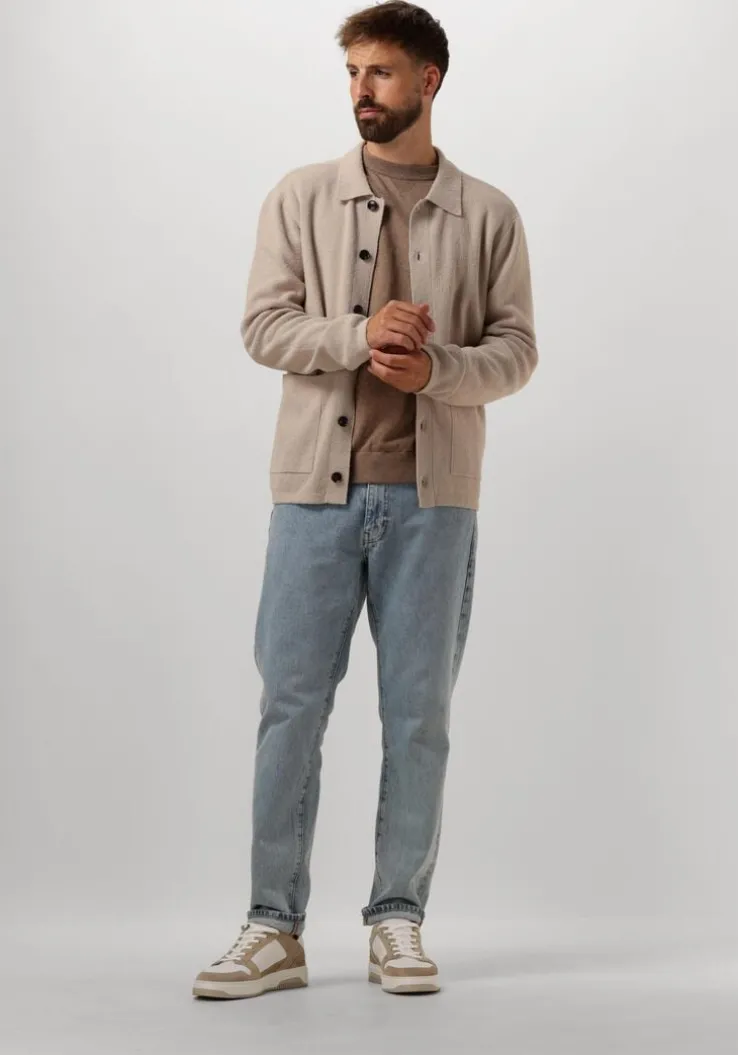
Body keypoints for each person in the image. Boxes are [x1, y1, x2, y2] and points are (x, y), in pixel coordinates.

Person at [193, 0, 537, 999]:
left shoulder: (489, 213)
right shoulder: (302, 196)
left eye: (380, 72)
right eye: (351, 72)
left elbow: (517, 351)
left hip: (435, 501)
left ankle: (398, 918)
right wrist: (357, 334)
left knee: (418, 714)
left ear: (430, 80)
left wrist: (437, 371)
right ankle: (273, 925)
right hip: (314, 495)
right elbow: (264, 327)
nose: (361, 91)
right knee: (290, 708)